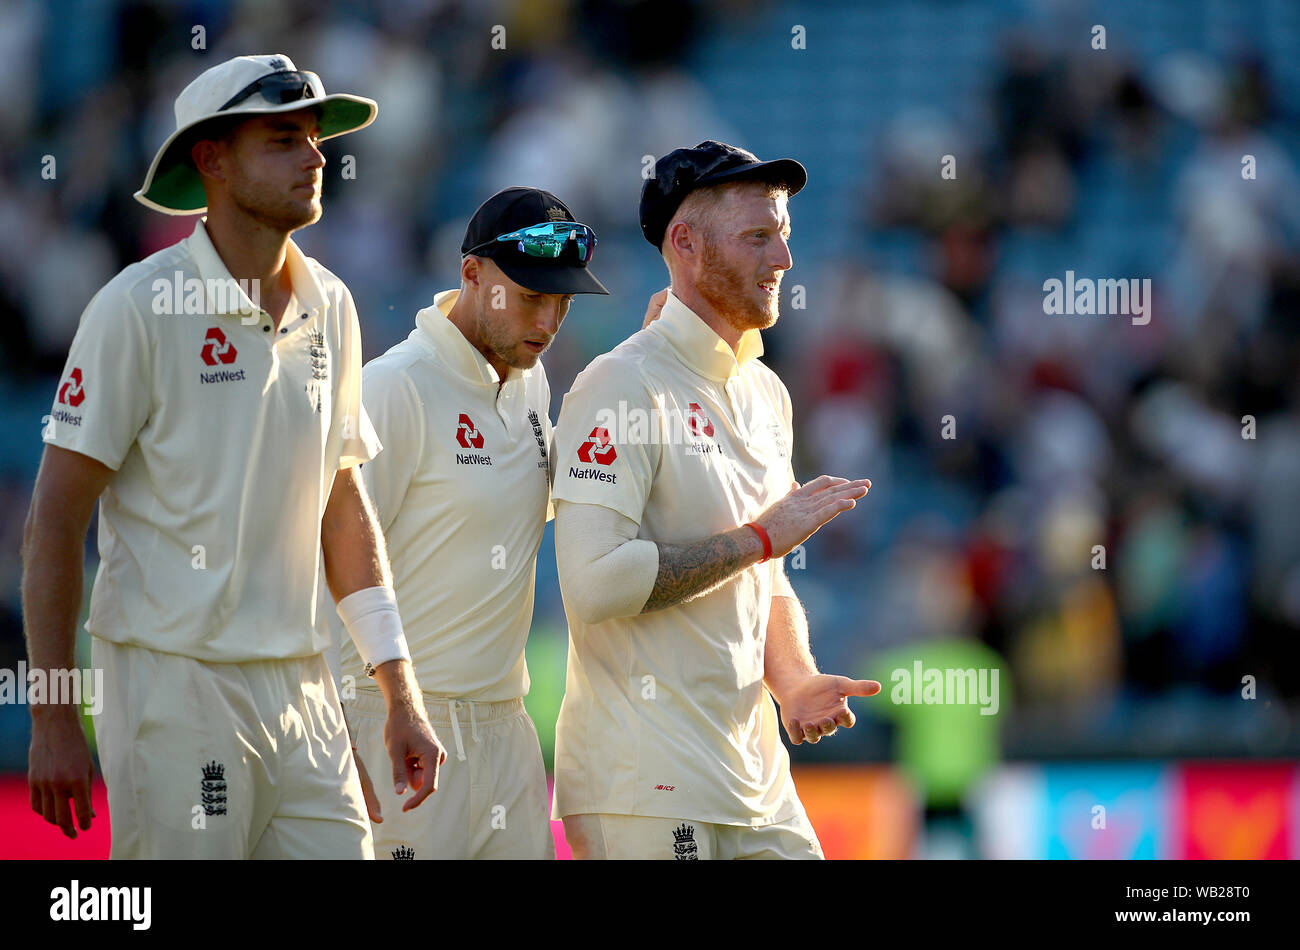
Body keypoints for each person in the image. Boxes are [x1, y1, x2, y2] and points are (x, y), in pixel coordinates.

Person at [22, 53, 445, 859]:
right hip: (172, 688)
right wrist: (52, 715)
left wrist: (400, 693)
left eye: (315, 140)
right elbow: (53, 526)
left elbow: (342, 509)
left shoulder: (335, 304)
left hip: (303, 688)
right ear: (211, 159)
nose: (316, 158)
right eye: (284, 140)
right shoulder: (136, 309)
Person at [549, 140, 881, 859]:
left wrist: (792, 681)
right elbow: (593, 584)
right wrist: (759, 539)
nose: (784, 260)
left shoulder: (767, 392)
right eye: (758, 238)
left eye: (784, 236)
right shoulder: (620, 383)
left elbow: (766, 579)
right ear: (686, 244)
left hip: (758, 782)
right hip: (645, 786)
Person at [329, 187, 608, 859]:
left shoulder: (530, 383)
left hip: (507, 734)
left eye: (563, 303)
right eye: (532, 296)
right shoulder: (394, 387)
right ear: (472, 276)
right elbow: (325, 558)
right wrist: (333, 736)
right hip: (394, 725)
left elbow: (519, 506)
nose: (549, 319)